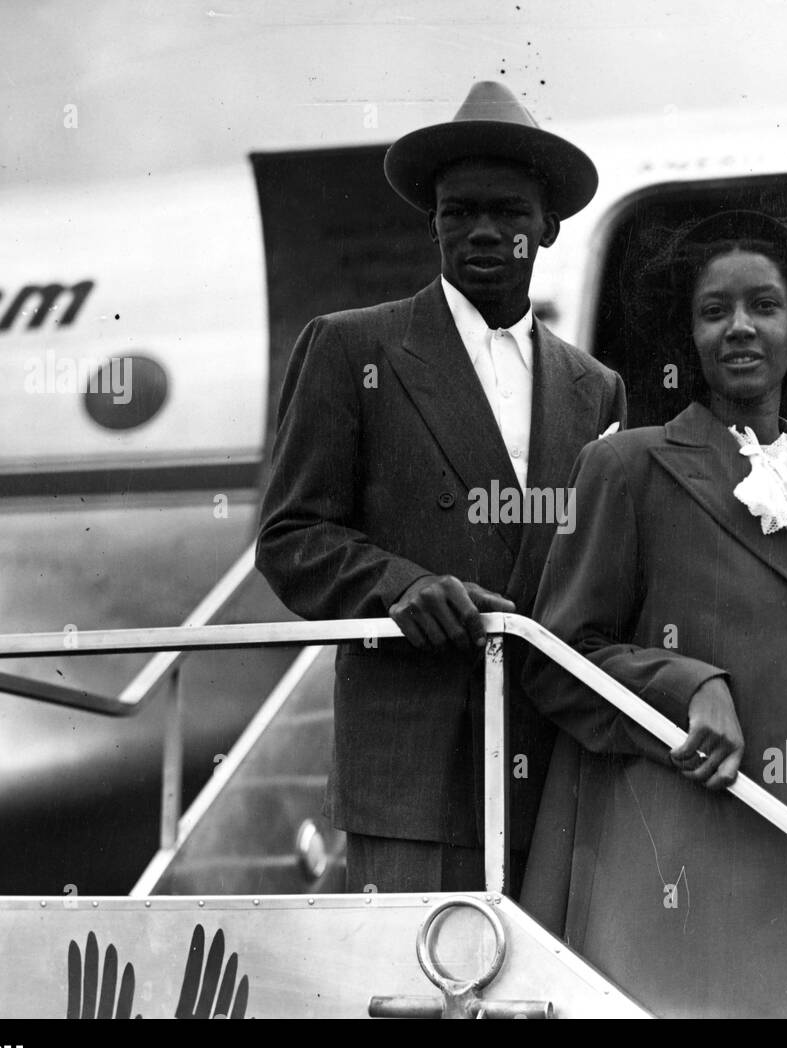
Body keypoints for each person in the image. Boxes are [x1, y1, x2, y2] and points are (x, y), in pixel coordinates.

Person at [520, 210, 787, 1018]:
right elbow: (555, 656)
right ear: (684, 333)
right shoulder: (627, 466)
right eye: (713, 310)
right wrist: (684, 683)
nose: (740, 327)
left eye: (764, 305)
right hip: (696, 883)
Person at [256, 81, 626, 897]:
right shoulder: (352, 347)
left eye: (509, 213)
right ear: (433, 224)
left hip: (554, 765)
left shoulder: (594, 387)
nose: (484, 232)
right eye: (458, 212)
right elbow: (289, 539)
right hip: (413, 770)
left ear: (549, 228)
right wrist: (405, 587)